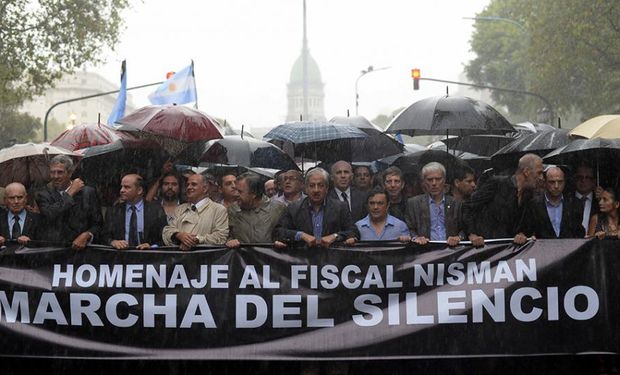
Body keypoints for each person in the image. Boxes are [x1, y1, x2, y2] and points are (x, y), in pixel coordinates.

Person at [463, 153, 544, 246]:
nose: (541, 178)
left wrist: (523, 234)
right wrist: (472, 234)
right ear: (526, 172)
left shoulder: (529, 196)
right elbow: (468, 207)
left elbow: (527, 226)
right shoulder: (497, 184)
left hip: (511, 252)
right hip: (486, 249)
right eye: (539, 173)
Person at [274, 168, 356, 248]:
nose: (316, 190)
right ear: (306, 189)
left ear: (327, 188)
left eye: (320, 185)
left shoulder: (340, 207)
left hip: (331, 258)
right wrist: (301, 235)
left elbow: (353, 231)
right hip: (303, 258)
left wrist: (335, 236)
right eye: (312, 186)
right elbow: (278, 232)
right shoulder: (293, 208)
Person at [36, 155, 103, 250]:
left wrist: (87, 234)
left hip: (83, 253)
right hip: (53, 252)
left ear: (70, 173)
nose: (55, 176)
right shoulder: (43, 194)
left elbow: (98, 224)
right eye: (52, 172)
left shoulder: (88, 193)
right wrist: (70, 193)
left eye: (60, 172)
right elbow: (50, 214)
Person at [100, 174, 168, 250]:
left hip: (149, 258)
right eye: (121, 186)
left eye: (127, 187)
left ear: (139, 190)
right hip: (120, 258)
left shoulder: (156, 210)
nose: (121, 190)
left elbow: (165, 237)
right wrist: (113, 242)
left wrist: (151, 246)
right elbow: (104, 236)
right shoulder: (113, 211)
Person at [162, 174, 229, 250]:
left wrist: (196, 239)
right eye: (187, 185)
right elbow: (167, 232)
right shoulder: (179, 209)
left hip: (205, 259)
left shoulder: (218, 210)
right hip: (179, 259)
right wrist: (178, 235)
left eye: (193, 184)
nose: (189, 187)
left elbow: (221, 237)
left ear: (205, 188)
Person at [405, 162, 462, 246]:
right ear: (424, 181)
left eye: (438, 179)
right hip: (425, 251)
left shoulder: (456, 203)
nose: (434, 183)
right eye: (429, 179)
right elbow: (408, 228)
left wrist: (459, 237)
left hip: (451, 251)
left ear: (444, 180)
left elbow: (464, 229)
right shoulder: (413, 203)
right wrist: (416, 238)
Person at [226, 173, 286, 248]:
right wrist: (229, 241)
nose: (236, 194)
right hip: (241, 258)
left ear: (253, 194)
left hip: (269, 257)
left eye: (240, 191)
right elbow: (225, 235)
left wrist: (281, 241)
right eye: (236, 190)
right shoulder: (232, 209)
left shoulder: (278, 209)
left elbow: (287, 234)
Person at [524, 167, 583, 239]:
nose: (556, 186)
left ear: (564, 182)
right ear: (544, 182)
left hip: (568, 248)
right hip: (543, 248)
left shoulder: (574, 204)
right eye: (552, 182)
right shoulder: (533, 205)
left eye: (560, 182)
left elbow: (579, 232)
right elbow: (527, 231)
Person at [573, 164, 599, 235]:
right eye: (580, 177)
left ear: (594, 181)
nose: (583, 180)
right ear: (575, 179)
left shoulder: (599, 202)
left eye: (587, 177)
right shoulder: (566, 199)